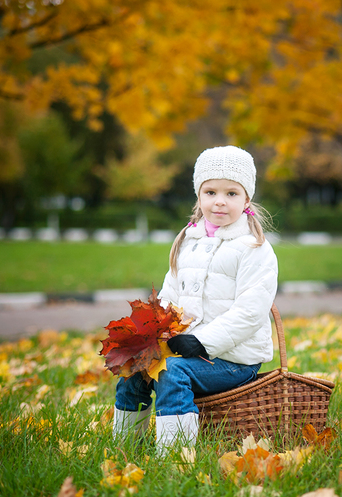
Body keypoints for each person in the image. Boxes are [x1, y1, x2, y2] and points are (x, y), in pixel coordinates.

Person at [112, 145, 278, 454]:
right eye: (210, 192)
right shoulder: (188, 242)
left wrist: (202, 341)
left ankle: (175, 456)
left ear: (247, 200)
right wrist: (151, 335)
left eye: (231, 193)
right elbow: (169, 297)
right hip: (190, 348)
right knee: (136, 368)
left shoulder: (254, 248)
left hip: (233, 359)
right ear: (198, 196)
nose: (219, 201)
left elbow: (250, 312)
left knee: (172, 372)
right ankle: (125, 448)